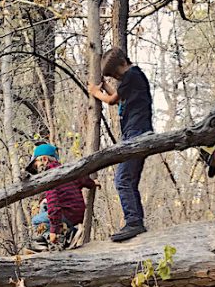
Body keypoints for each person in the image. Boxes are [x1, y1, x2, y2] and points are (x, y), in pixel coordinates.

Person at [87, 47, 153, 242]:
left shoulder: (133, 74)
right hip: (136, 133)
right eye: (113, 77)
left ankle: (134, 222)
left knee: (122, 180)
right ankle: (136, 220)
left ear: (124, 63)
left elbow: (111, 99)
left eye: (117, 74)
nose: (117, 78)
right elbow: (117, 98)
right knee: (129, 180)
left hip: (136, 134)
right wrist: (105, 85)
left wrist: (94, 92)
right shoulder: (132, 78)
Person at [24, 143, 98, 251]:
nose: (37, 170)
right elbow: (83, 179)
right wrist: (92, 183)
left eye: (36, 165)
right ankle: (67, 231)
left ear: (44, 159)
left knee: (36, 220)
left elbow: (54, 203)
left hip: (66, 212)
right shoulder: (66, 170)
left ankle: (60, 238)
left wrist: (53, 230)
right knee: (44, 205)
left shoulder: (49, 176)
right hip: (76, 212)